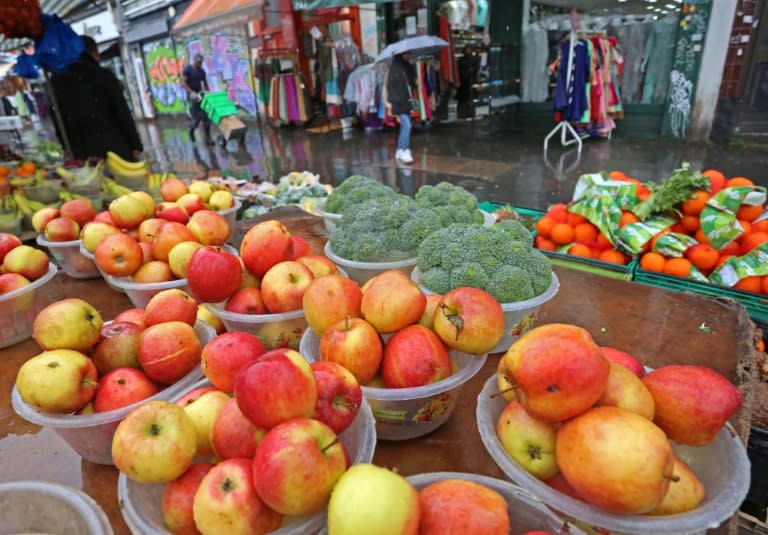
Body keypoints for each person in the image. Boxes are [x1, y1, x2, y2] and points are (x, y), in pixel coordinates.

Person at [50, 35, 143, 161]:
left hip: (81, 152)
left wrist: (64, 146)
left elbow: (57, 117)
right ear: (94, 53)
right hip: (115, 147)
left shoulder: (56, 81)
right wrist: (135, 144)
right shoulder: (103, 75)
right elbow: (122, 112)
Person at [386, 52, 417, 164]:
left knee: (404, 126)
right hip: (399, 104)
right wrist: (396, 99)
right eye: (406, 53)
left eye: (409, 53)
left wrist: (413, 72)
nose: (409, 55)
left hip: (406, 102)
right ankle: (404, 149)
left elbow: (412, 84)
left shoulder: (407, 66)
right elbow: (390, 86)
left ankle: (400, 150)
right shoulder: (394, 68)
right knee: (407, 125)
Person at [182, 54, 213, 145]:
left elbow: (205, 82)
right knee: (197, 118)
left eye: (201, 62)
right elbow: (183, 82)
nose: (200, 64)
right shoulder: (188, 69)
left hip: (201, 96)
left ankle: (208, 139)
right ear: (194, 61)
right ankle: (191, 130)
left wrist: (208, 92)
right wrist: (191, 92)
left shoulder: (202, 71)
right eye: (198, 62)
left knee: (207, 118)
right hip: (193, 97)